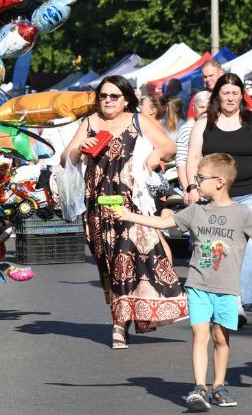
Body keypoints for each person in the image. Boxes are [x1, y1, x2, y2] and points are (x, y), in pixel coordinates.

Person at [113, 153, 252, 411]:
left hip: (227, 289)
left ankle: (218, 385)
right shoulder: (195, 211)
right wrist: (130, 215)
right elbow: (164, 223)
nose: (195, 183)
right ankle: (199, 387)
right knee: (200, 333)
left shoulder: (241, 214)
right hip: (198, 285)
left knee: (220, 337)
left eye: (200, 179)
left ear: (219, 181)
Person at [61, 75, 186, 349]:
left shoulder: (137, 120)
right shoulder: (90, 123)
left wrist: (156, 156)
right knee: (108, 262)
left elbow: (168, 146)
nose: (107, 101)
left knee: (127, 257)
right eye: (103, 96)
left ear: (126, 98)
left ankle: (119, 326)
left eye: (113, 96)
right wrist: (77, 151)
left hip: (130, 202)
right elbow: (65, 158)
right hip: (97, 204)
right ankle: (121, 316)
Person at [186, 73, 252, 321]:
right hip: (212, 197)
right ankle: (214, 296)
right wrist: (193, 187)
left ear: (241, 96)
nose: (231, 98)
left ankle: (241, 300)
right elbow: (193, 157)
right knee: (213, 248)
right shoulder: (205, 122)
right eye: (226, 93)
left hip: (249, 193)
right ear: (218, 95)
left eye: (235, 93)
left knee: (250, 245)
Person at [187, 60, 252, 120]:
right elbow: (190, 122)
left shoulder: (236, 92)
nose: (207, 79)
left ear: (221, 73)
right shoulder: (199, 97)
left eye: (211, 75)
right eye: (205, 77)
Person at [176, 91, 210, 196]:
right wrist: (188, 191)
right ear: (194, 109)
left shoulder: (218, 126)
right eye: (202, 107)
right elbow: (181, 162)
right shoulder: (187, 128)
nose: (206, 111)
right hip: (195, 185)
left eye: (209, 107)